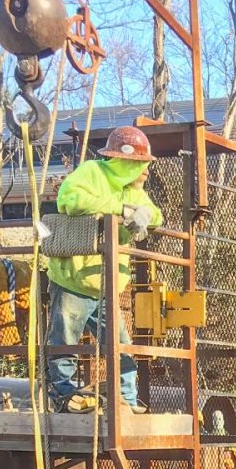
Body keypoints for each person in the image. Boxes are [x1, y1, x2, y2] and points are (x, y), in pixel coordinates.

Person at [45, 125, 163, 413]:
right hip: (73, 279)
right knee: (64, 341)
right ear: (125, 162)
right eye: (142, 164)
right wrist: (120, 210)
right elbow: (70, 200)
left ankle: (127, 400)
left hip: (107, 285)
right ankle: (64, 395)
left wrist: (146, 214)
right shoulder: (91, 173)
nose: (147, 170)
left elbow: (155, 214)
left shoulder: (134, 190)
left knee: (121, 345)